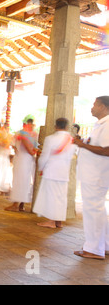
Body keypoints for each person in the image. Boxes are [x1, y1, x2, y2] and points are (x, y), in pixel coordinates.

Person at [73, 96, 109, 260]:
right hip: (92, 174)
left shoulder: (107, 124)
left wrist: (82, 145)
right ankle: (104, 244)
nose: (92, 107)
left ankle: (94, 249)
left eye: (95, 104)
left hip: (96, 175)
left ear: (103, 107)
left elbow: (106, 150)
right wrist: (84, 143)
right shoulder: (100, 124)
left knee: (93, 211)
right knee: (97, 210)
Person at [32, 118, 77, 228]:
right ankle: (58, 221)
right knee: (61, 197)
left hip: (51, 171)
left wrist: (40, 168)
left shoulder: (51, 139)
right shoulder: (72, 140)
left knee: (51, 196)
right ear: (67, 127)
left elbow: (44, 156)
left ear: (56, 126)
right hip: (64, 172)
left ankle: (51, 221)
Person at [5, 118, 38, 212]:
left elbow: (15, 145)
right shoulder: (32, 134)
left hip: (23, 158)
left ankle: (16, 204)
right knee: (24, 181)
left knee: (20, 181)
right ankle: (20, 204)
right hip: (26, 159)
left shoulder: (22, 133)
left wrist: (25, 151)